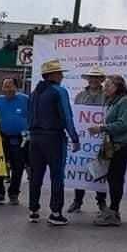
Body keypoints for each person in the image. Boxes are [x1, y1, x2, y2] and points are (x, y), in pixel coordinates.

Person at [27, 60, 80, 226]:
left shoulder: (35, 93)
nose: (62, 75)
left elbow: (29, 117)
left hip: (35, 138)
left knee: (36, 175)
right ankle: (56, 212)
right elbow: (66, 116)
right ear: (52, 75)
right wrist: (74, 138)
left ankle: (33, 210)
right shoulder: (59, 91)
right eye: (59, 73)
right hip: (53, 138)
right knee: (57, 175)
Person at [88, 75, 127, 226]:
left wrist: (102, 128)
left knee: (116, 177)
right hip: (115, 144)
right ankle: (112, 211)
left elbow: (124, 124)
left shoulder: (126, 102)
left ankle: (114, 213)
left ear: (117, 86)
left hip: (123, 145)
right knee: (112, 177)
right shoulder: (114, 102)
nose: (105, 88)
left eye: (108, 85)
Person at [69, 67, 108, 213]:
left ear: (101, 80)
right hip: (84, 139)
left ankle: (101, 203)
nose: (94, 80)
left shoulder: (107, 95)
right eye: (91, 77)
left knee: (100, 169)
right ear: (88, 79)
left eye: (97, 78)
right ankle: (77, 201)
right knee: (80, 168)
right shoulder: (80, 95)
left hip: (100, 138)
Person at [0, 77, 28, 206]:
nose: (7, 89)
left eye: (10, 86)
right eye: (5, 86)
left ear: (17, 87)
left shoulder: (26, 100)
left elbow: (37, 112)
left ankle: (14, 194)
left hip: (20, 139)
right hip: (2, 138)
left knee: (18, 167)